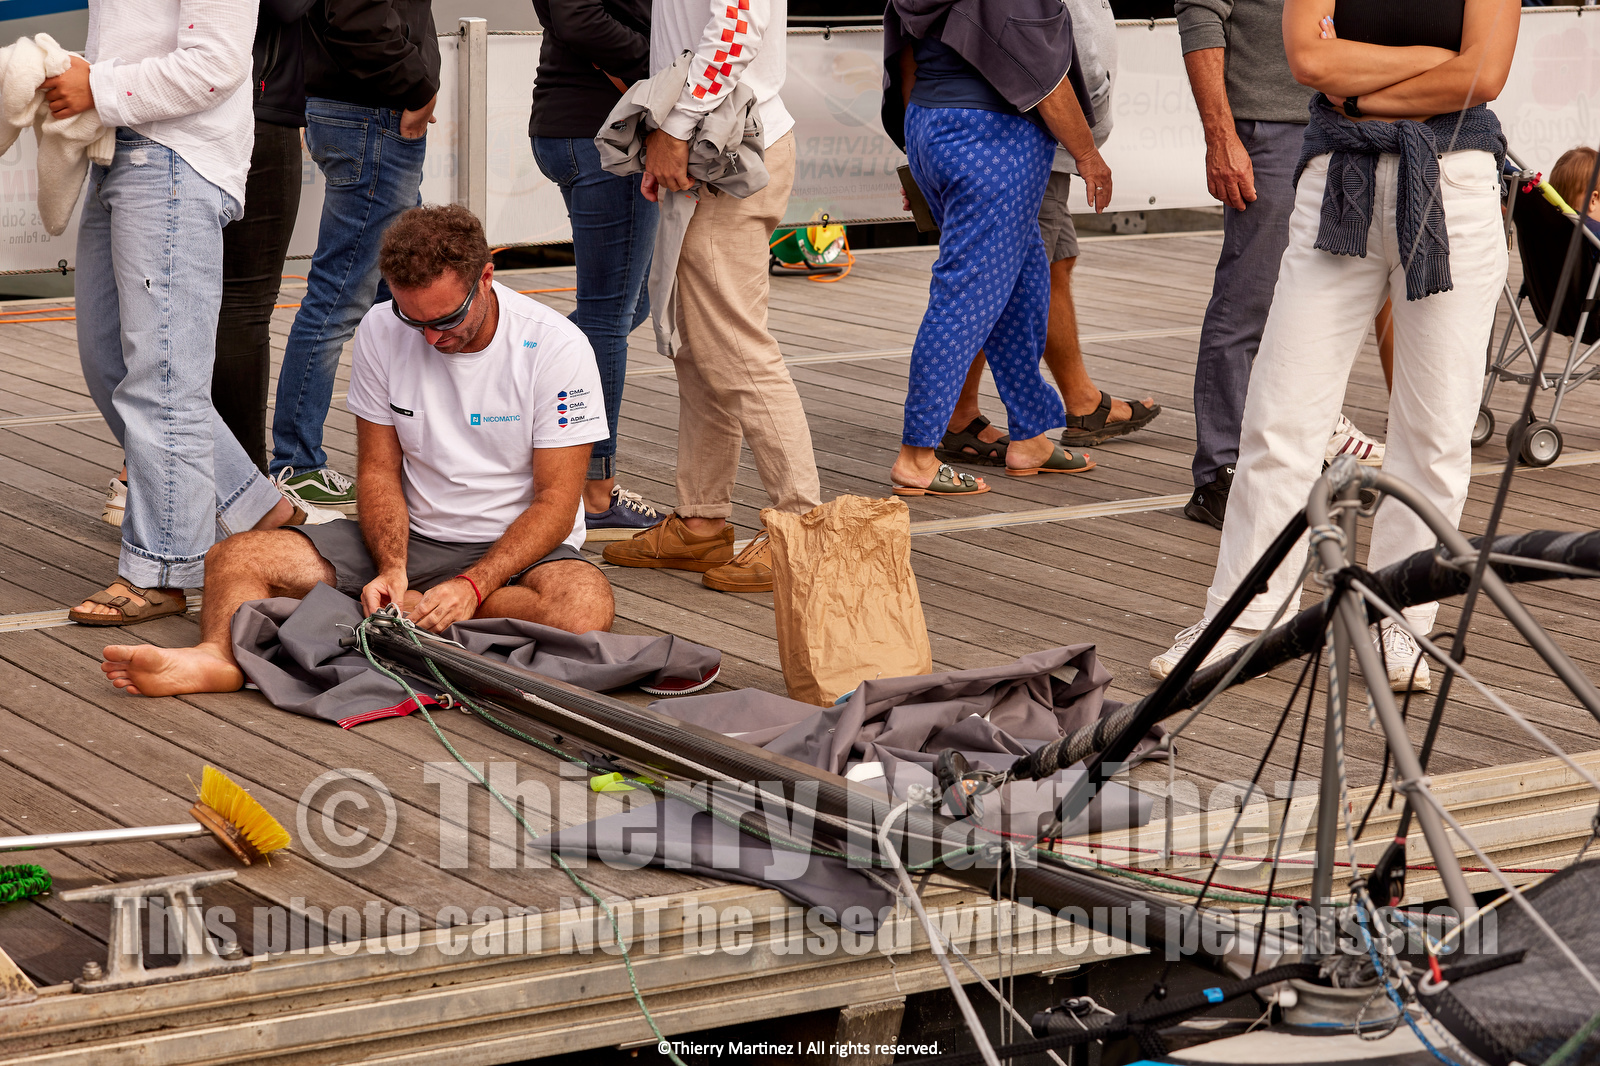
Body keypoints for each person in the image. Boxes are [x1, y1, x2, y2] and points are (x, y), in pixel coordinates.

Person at [1151, 0, 1520, 692]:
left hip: (1453, 182)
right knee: (1280, 416)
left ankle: (1401, 618)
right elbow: (1308, 60)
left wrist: (1355, 92)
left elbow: (1483, 77)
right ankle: (1243, 620)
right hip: (1339, 177)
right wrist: (1432, 65)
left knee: (1435, 430)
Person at [100, 206, 616, 698]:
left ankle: (412, 610)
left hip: (519, 551)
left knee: (583, 609)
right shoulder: (381, 327)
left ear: (486, 277)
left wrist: (473, 585)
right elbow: (378, 471)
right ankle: (218, 656)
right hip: (414, 538)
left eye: (447, 319)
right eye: (414, 321)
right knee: (233, 557)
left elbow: (556, 503)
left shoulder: (557, 346)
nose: (431, 338)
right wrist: (391, 567)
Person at [55, 0, 338, 628]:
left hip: (171, 156)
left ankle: (164, 568)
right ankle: (254, 504)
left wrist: (96, 85)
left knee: (163, 379)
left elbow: (215, 63)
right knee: (111, 362)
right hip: (121, 144)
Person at [601, 0, 821, 594]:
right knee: (702, 347)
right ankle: (701, 521)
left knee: (734, 348)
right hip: (720, 139)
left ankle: (802, 531)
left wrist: (675, 128)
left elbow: (737, 26)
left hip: (725, 143)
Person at [881, 0, 1107, 496]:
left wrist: (923, 152)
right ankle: (916, 456)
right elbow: (1044, 77)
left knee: (1025, 281)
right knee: (963, 299)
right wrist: (1088, 155)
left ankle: (1030, 435)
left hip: (931, 123)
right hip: (994, 139)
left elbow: (905, 58)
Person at [1176, 0, 1387, 529]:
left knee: (1318, 304)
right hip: (1268, 127)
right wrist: (1221, 136)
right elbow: (1199, 13)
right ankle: (1221, 471)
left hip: (1342, 123)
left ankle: (1297, 451)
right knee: (1249, 301)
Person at [937, 0, 1161, 468]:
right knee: (992, 282)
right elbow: (1039, 52)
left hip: (1043, 134)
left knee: (1054, 264)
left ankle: (1079, 401)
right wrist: (1085, 147)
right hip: (1029, 133)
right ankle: (966, 421)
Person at [267, 0, 440, 515]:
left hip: (360, 111)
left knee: (398, 296)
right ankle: (296, 464)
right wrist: (417, 85)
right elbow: (357, 15)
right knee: (338, 300)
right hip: (374, 114)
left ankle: (410, 450)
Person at [529, 0, 664, 539]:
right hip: (603, 134)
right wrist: (660, 63)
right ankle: (594, 491)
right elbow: (578, 17)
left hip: (573, 127)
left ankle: (531, 369)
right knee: (608, 317)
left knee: (626, 305)